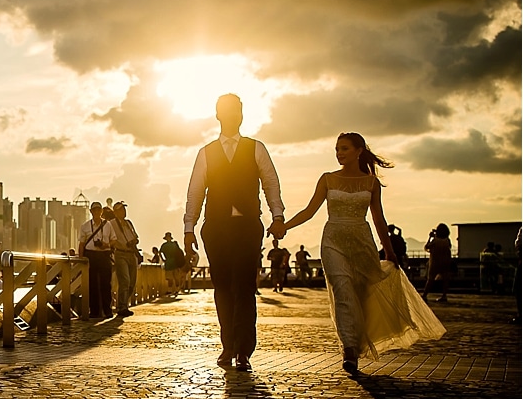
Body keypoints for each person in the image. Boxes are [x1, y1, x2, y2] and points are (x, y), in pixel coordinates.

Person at [280, 132, 445, 374]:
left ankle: (357, 343)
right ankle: (349, 349)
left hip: (362, 242)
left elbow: (379, 219)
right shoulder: (327, 179)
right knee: (343, 291)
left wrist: (389, 252)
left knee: (361, 296)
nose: (339, 153)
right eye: (337, 149)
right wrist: (284, 227)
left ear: (359, 151)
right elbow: (309, 211)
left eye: (344, 148)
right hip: (332, 241)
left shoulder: (371, 183)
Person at [184, 93, 286, 371]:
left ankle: (243, 350)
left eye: (237, 110)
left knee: (244, 287)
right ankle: (228, 344)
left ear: (242, 114)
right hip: (216, 228)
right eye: (227, 111)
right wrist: (189, 228)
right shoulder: (206, 153)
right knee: (223, 288)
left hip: (246, 226)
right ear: (218, 115)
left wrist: (278, 216)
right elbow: (195, 191)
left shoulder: (256, 148)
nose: (233, 115)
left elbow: (271, 184)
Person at [99, 200, 140, 317]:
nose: (124, 211)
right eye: (121, 209)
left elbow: (136, 237)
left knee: (132, 282)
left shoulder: (128, 223)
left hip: (131, 253)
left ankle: (123, 304)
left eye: (124, 209)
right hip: (120, 254)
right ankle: (122, 307)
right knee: (125, 281)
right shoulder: (111, 224)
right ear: (116, 212)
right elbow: (108, 238)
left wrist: (134, 242)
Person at [79, 201, 113, 320]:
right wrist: (81, 259)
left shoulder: (108, 225)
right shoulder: (85, 226)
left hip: (104, 254)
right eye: (95, 210)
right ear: (91, 211)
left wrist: (106, 244)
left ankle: (107, 310)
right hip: (91, 255)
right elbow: (82, 244)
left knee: (106, 284)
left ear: (101, 211)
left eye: (99, 210)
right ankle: (94, 311)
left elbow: (113, 240)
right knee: (92, 284)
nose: (97, 212)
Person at [423, 223, 453, 303]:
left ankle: (425, 295)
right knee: (445, 280)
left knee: (430, 279)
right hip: (445, 262)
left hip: (435, 262)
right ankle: (444, 295)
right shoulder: (447, 240)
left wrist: (430, 237)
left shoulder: (435, 241)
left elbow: (426, 247)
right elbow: (449, 247)